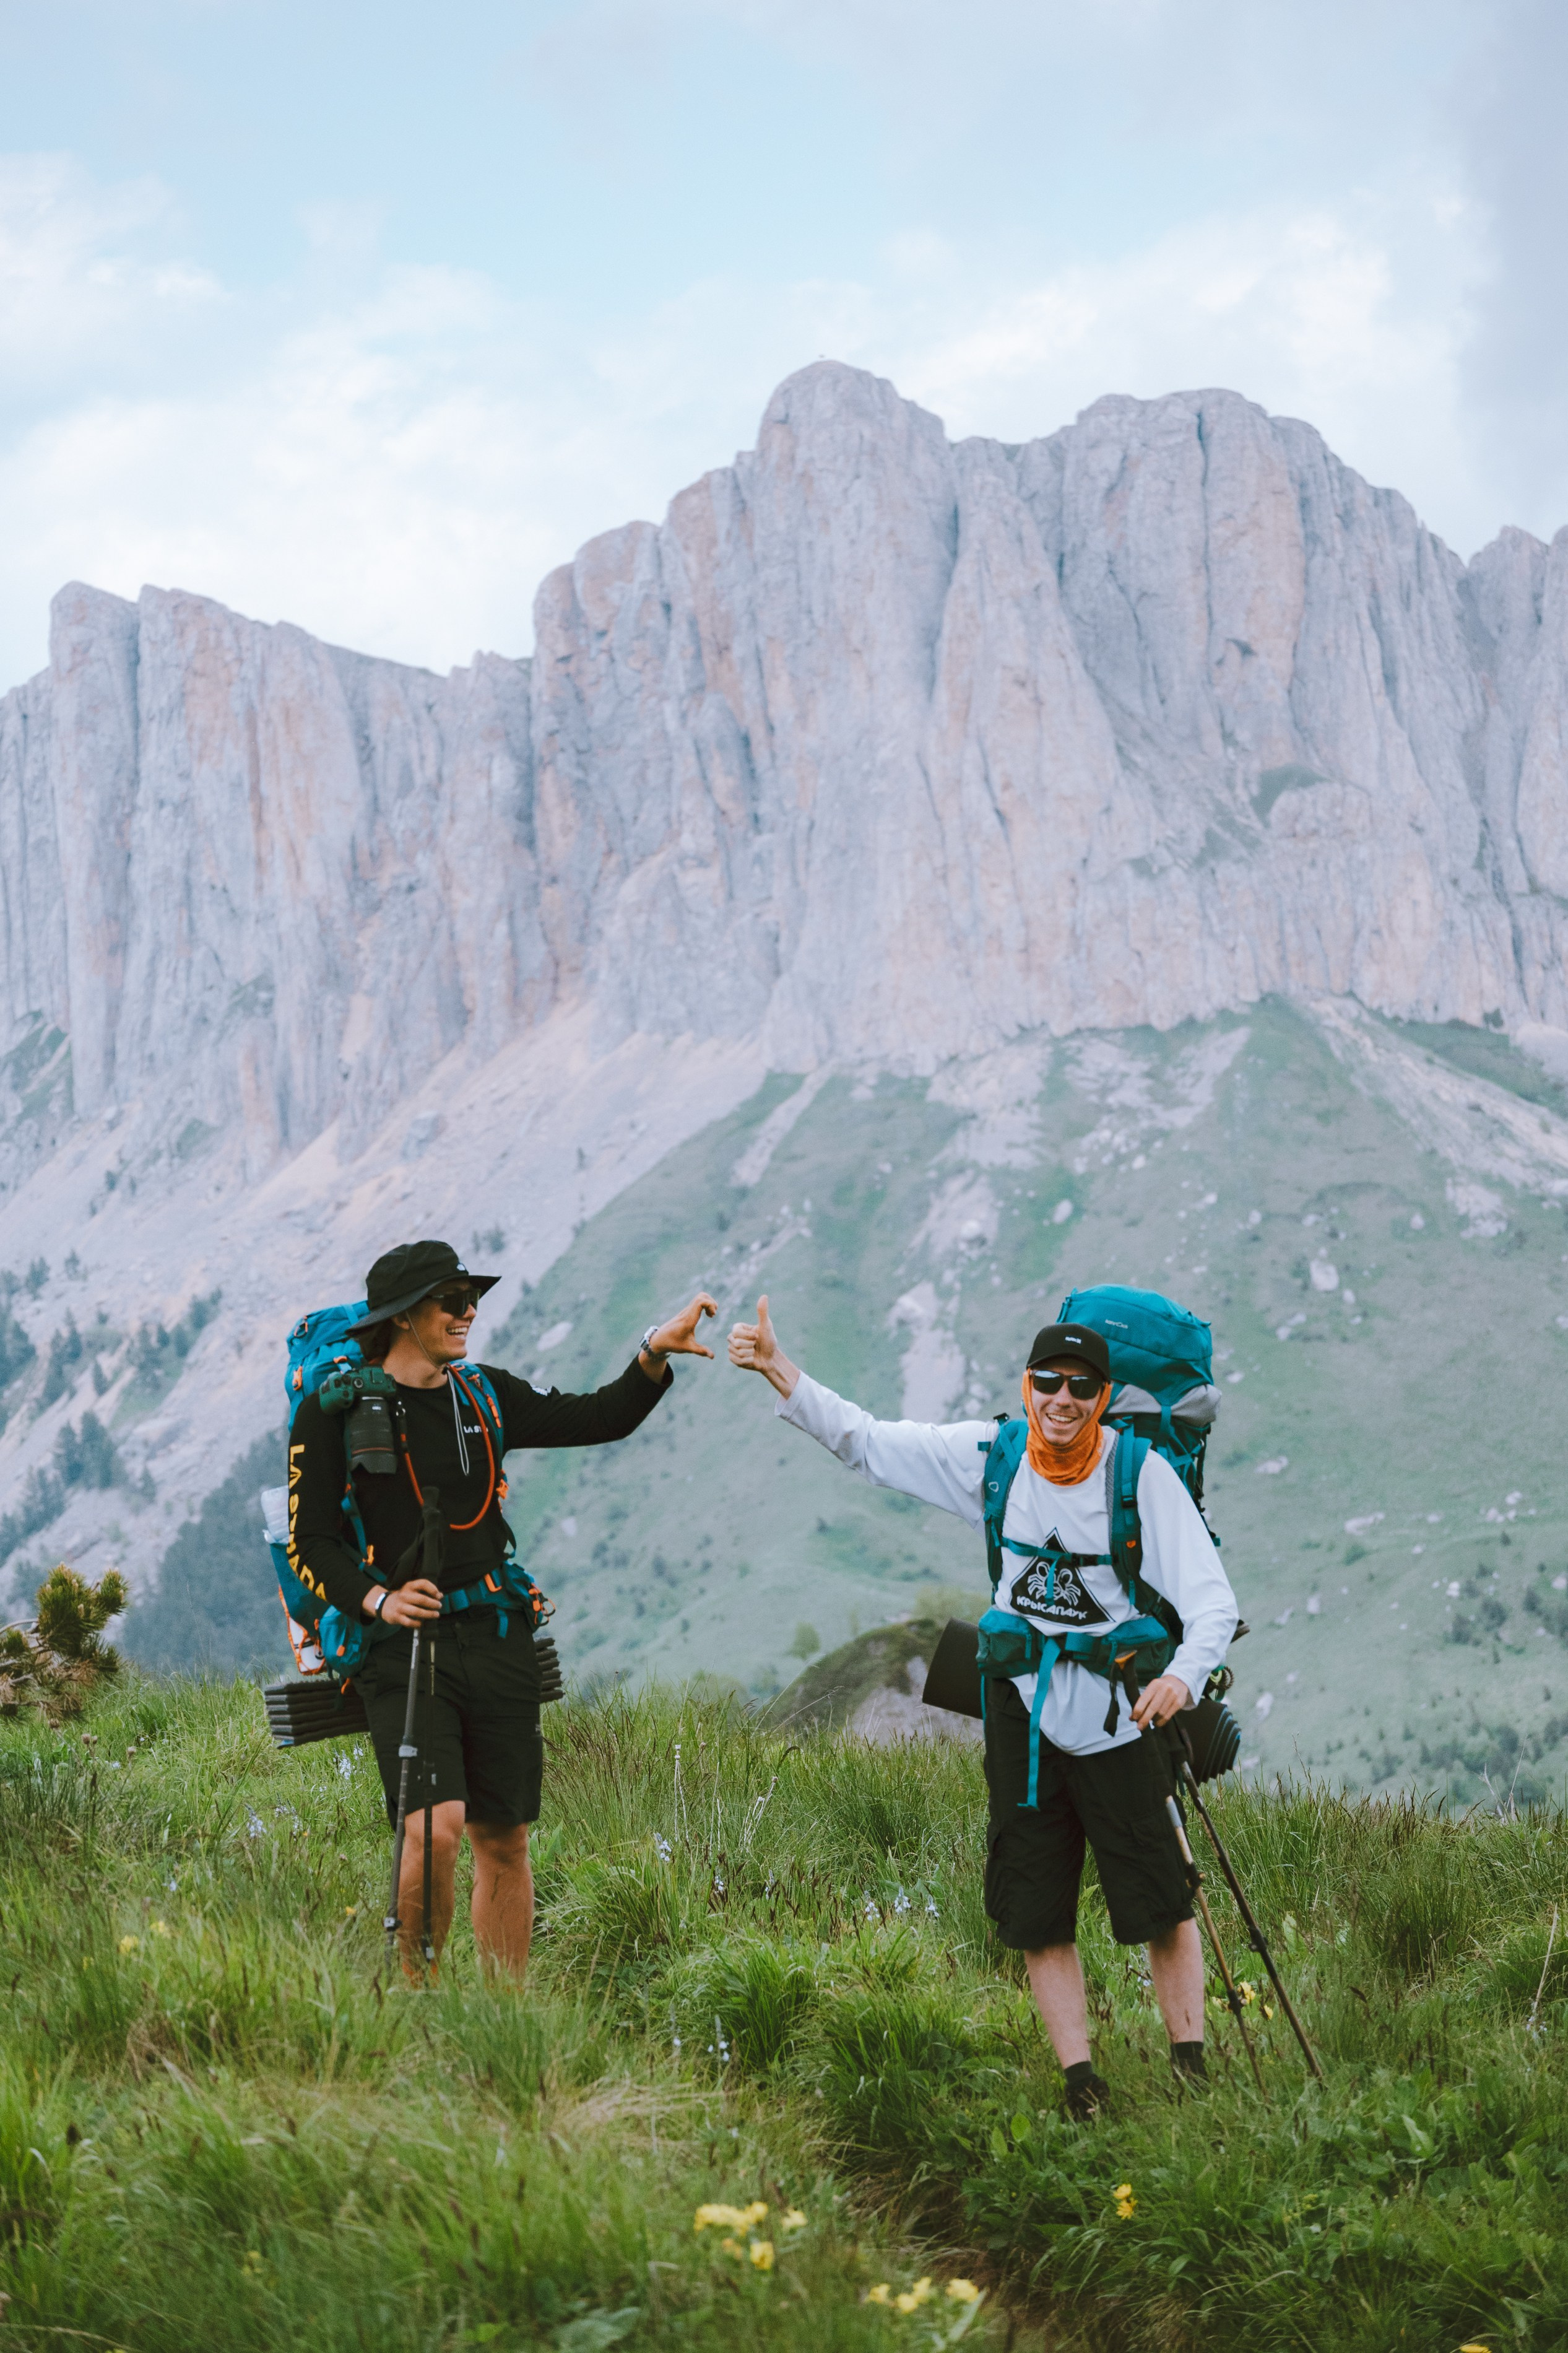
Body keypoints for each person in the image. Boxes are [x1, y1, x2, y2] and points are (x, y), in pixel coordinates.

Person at [728, 1296, 1238, 2116]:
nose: (1061, 1401)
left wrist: (1180, 1675)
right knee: (1036, 1905)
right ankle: (1081, 2085)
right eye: (1048, 1383)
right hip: (1022, 1715)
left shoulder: (1139, 1475)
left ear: (1103, 1396)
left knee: (1161, 1898)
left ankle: (1189, 2071)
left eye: (1080, 1387)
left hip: (1120, 1714)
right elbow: (866, 1441)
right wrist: (781, 1372)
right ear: (1027, 1385)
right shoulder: (992, 1456)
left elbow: (1210, 1601)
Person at [289, 1238, 717, 1979]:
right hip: (402, 1645)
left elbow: (599, 1416)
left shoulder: (484, 1393)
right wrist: (379, 1600)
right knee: (433, 1829)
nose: (468, 1312)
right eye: (450, 1301)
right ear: (401, 1317)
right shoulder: (335, 1411)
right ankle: (422, 2000)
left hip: (497, 1633)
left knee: (505, 1838)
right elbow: (311, 1541)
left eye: (470, 1298)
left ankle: (501, 2018)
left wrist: (652, 1353)